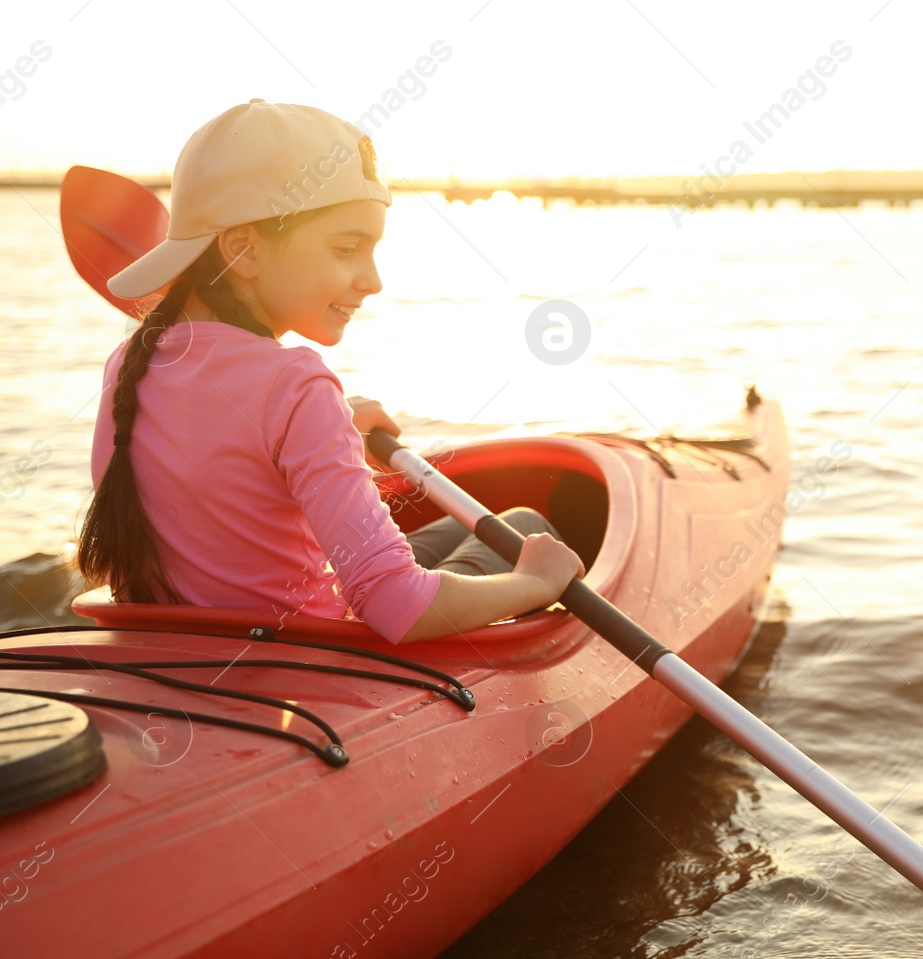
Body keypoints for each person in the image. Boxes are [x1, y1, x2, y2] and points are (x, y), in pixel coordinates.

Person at [78, 99, 583, 643]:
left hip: (189, 649)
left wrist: (334, 424)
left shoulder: (129, 363)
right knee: (525, 525)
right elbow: (397, 606)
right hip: (307, 660)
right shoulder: (297, 384)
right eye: (347, 249)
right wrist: (534, 583)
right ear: (243, 250)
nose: (373, 280)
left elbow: (222, 442)